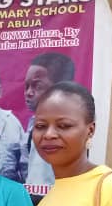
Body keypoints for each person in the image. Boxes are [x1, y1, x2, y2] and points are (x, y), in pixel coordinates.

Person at [20, 52, 76, 187]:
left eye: (37, 86)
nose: (28, 93)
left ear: (61, 88)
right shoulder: (32, 125)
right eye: (26, 86)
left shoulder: (73, 131)